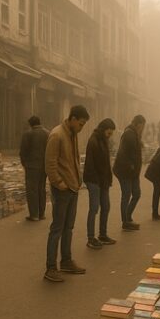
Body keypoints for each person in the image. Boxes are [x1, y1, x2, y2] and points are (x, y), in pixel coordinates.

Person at [44, 105, 89, 282]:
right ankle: (50, 268)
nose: (82, 127)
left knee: (68, 228)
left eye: (84, 124)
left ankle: (66, 260)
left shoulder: (72, 134)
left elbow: (74, 160)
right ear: (72, 119)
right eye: (81, 123)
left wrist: (77, 181)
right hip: (62, 189)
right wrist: (60, 184)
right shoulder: (57, 135)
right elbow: (50, 164)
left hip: (73, 188)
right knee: (57, 229)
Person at [83, 118, 118, 249]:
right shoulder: (94, 141)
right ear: (103, 130)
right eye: (109, 133)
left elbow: (105, 163)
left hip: (103, 180)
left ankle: (103, 235)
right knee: (94, 208)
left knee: (106, 206)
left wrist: (108, 179)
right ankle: (91, 238)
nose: (110, 136)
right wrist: (96, 182)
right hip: (94, 180)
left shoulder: (103, 140)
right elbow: (92, 164)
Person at [113, 115, 146, 231]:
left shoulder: (134, 134)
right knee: (126, 195)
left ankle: (127, 217)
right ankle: (125, 222)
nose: (143, 128)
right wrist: (131, 166)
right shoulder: (129, 134)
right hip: (125, 171)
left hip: (133, 172)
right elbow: (125, 154)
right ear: (138, 124)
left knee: (136, 194)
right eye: (143, 126)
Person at [19, 116, 49, 221]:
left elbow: (23, 151)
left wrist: (24, 163)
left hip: (32, 166)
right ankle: (42, 214)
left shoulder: (28, 134)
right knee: (41, 189)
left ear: (31, 124)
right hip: (44, 166)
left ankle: (34, 214)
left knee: (32, 190)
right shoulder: (47, 133)